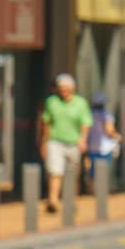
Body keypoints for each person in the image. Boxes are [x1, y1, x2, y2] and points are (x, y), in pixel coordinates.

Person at [38, 72, 90, 213]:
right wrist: (44, 142)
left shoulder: (81, 103)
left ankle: (71, 201)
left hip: (74, 142)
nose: (64, 91)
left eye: (66, 89)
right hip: (55, 141)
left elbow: (85, 123)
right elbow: (46, 122)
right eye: (61, 89)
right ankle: (53, 200)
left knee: (73, 174)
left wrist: (83, 139)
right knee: (55, 171)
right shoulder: (52, 102)